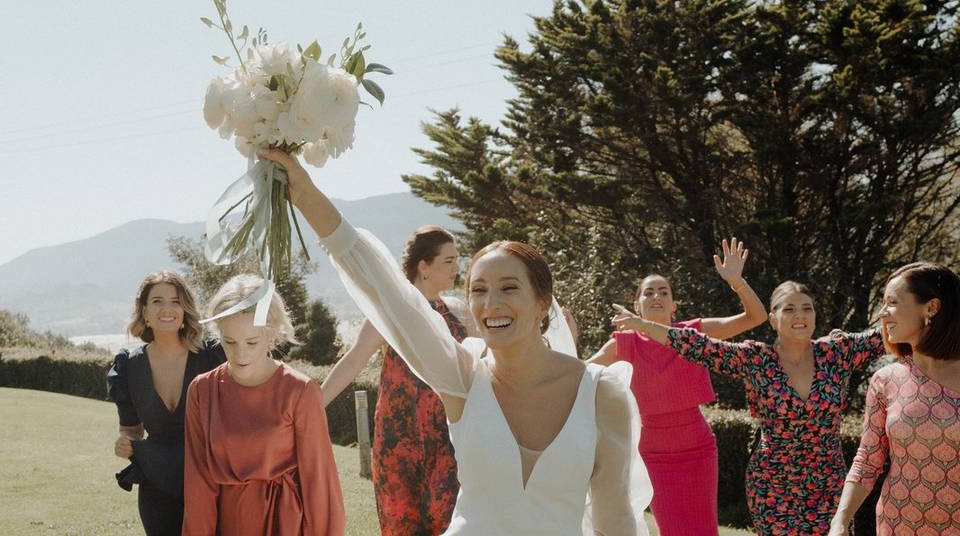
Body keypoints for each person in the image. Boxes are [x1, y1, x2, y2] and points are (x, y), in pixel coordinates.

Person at [261, 148, 652, 536]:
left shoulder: (602, 394)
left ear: (542, 302)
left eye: (509, 287)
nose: (490, 303)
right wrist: (306, 196)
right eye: (478, 290)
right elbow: (390, 294)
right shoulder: (465, 378)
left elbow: (614, 523)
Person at [612, 280, 884, 535]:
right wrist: (642, 325)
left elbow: (891, 333)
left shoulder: (837, 352)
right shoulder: (757, 360)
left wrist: (903, 299)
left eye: (807, 308)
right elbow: (695, 345)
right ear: (773, 318)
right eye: (788, 309)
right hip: (773, 488)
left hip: (830, 487)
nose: (799, 315)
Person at [585, 238, 767, 536]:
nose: (656, 296)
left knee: (704, 531)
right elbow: (579, 374)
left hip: (698, 449)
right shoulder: (622, 343)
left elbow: (756, 317)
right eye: (648, 292)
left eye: (663, 291)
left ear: (673, 305)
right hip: (653, 454)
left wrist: (737, 282)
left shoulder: (692, 333)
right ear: (637, 305)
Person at [321, 226, 477, 535]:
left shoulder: (460, 314)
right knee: (400, 526)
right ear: (424, 266)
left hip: (450, 441)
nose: (456, 268)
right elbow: (353, 361)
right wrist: (311, 406)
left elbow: (483, 368)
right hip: (398, 443)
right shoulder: (391, 311)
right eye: (449, 261)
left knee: (452, 525)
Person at [181, 274, 345, 536]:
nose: (240, 354)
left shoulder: (300, 391)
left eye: (252, 342)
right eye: (230, 342)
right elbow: (198, 481)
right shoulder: (202, 391)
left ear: (272, 336)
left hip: (287, 524)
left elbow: (319, 483)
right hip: (231, 524)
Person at [829, 262, 960, 536]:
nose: (882, 313)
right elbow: (868, 459)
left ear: (931, 308)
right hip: (896, 525)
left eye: (892, 302)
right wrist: (840, 521)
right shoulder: (885, 380)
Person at [106, 270, 225, 536]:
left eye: (175, 300)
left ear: (185, 309)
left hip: (209, 479)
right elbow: (131, 430)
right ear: (144, 311)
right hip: (155, 484)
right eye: (157, 301)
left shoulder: (213, 357)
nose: (167, 308)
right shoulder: (128, 366)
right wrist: (123, 443)